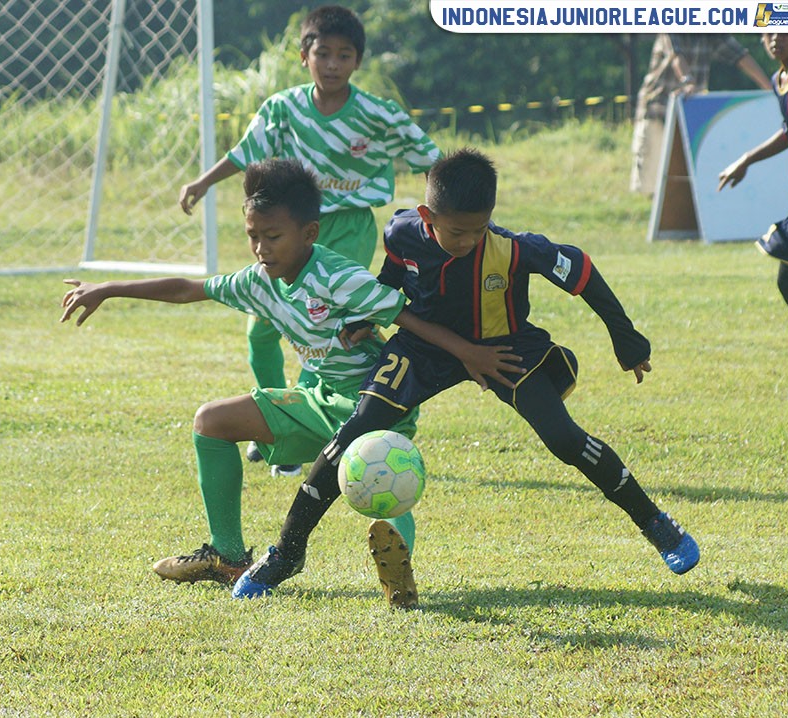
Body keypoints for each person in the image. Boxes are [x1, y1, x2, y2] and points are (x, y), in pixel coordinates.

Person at [234, 148, 701, 609]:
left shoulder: (516, 249)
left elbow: (582, 271)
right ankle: (287, 551)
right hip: (424, 348)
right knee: (356, 430)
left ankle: (656, 523)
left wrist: (627, 338)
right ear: (427, 215)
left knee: (562, 437)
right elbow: (392, 276)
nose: (469, 241)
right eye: (457, 232)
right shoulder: (401, 231)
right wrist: (364, 316)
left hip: (505, 348)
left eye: (479, 230)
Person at [62, 159, 521, 588]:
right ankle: (227, 557)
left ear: (309, 233)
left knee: (379, 476)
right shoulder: (258, 280)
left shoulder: (337, 276)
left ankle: (400, 569)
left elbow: (408, 316)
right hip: (317, 399)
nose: (261, 249)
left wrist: (469, 355)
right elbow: (188, 289)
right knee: (211, 422)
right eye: (253, 236)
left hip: (375, 401)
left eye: (273, 236)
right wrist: (110, 288)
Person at [178, 5, 442, 475]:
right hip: (292, 231)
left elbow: (430, 157)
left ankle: (326, 432)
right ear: (305, 56)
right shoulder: (283, 108)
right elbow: (247, 151)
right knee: (259, 328)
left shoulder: (377, 114)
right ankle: (280, 415)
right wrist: (203, 182)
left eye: (344, 55)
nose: (333, 64)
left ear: (357, 61)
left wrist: (440, 217)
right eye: (324, 53)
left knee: (324, 323)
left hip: (348, 225)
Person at [717, 33, 788, 399]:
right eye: (766, 33)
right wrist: (746, 160)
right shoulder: (782, 80)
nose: (772, 40)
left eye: (782, 31)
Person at [632, 34, 770, 195]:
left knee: (686, 179)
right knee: (649, 181)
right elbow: (676, 56)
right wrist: (688, 81)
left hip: (690, 112)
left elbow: (741, 56)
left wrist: (769, 88)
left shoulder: (711, 32)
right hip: (657, 109)